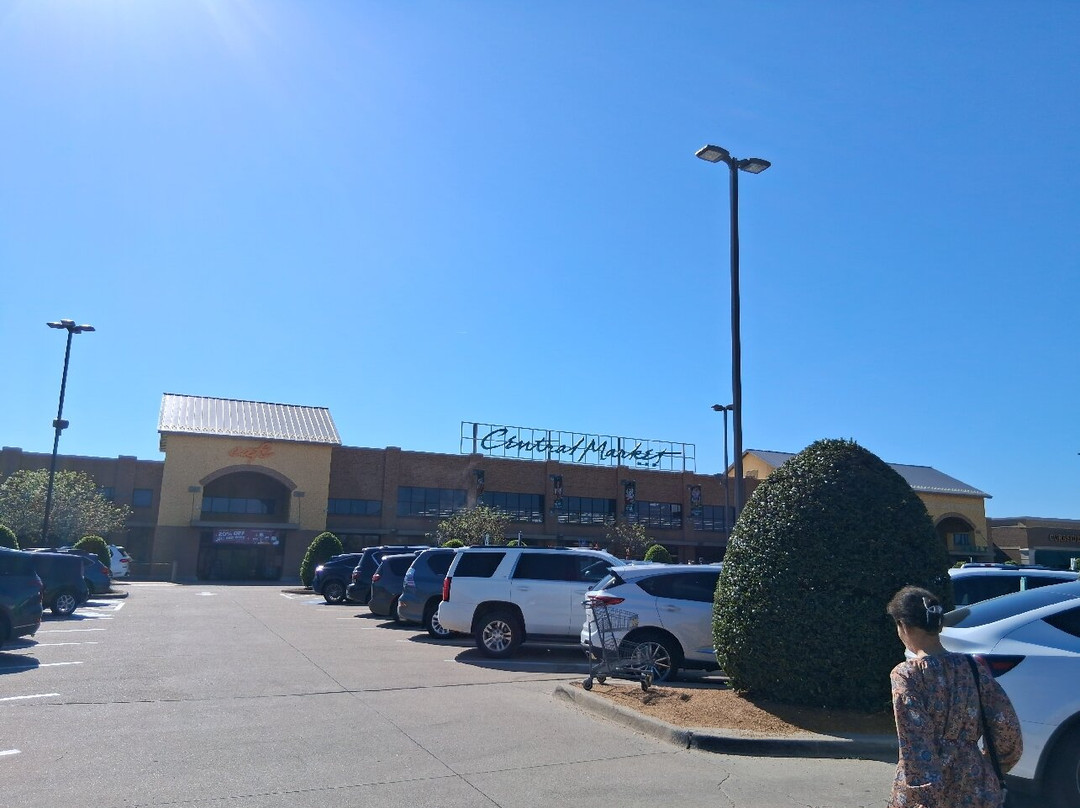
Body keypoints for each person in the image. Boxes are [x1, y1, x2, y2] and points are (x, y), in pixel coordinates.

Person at [886, 586, 1022, 808]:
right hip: (975, 784)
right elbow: (1006, 726)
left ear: (904, 626)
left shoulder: (907, 675)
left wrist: (925, 796)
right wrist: (988, 766)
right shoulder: (972, 667)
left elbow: (916, 743)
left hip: (931, 793)